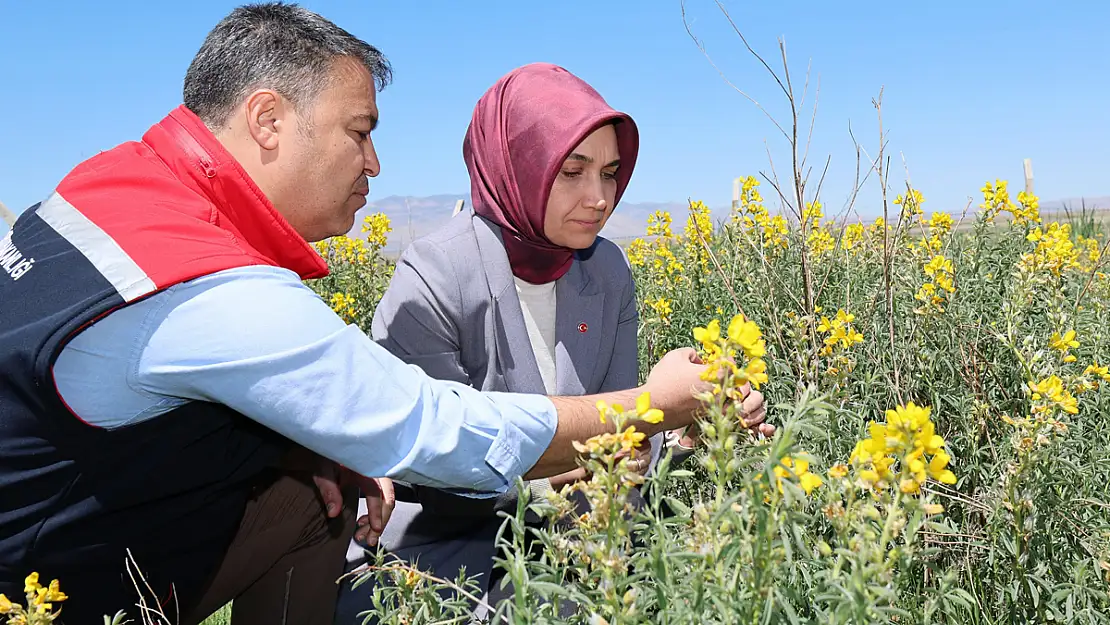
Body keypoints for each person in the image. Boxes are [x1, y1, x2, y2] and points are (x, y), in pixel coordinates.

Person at [0, 5, 758, 625]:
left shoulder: (114, 190)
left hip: (63, 530)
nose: (374, 163)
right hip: (43, 585)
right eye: (358, 131)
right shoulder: (208, 286)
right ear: (267, 119)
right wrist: (655, 407)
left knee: (309, 489)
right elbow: (430, 429)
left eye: (612, 174)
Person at [334, 63, 773, 622]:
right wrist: (633, 421)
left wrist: (693, 430)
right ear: (518, 167)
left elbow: (622, 438)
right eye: (572, 171)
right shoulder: (434, 274)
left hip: (584, 541)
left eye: (611, 173)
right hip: (444, 561)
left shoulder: (608, 269)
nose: (599, 198)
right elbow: (441, 468)